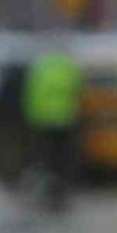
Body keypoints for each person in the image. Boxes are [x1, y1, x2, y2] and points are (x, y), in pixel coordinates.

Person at [22, 50, 83, 209]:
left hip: (43, 121)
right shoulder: (67, 67)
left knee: (47, 158)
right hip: (65, 120)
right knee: (63, 158)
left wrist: (30, 118)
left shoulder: (39, 69)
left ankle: (50, 185)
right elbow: (77, 90)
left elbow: (30, 95)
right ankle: (60, 187)